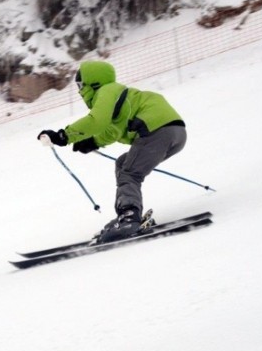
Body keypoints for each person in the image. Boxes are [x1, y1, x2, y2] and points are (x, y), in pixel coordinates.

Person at [38, 60, 186, 243]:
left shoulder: (106, 91)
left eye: (80, 85)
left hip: (157, 131)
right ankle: (127, 214)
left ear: (93, 83)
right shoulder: (118, 95)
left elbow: (97, 120)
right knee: (124, 164)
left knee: (129, 173)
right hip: (175, 133)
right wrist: (91, 141)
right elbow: (113, 130)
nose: (79, 90)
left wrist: (64, 136)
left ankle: (129, 217)